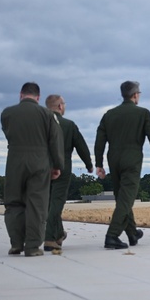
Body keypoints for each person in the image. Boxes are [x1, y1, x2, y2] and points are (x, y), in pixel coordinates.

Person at [94, 81, 150, 250]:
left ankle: (132, 233)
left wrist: (98, 163)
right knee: (126, 199)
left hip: (114, 159)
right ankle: (112, 235)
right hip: (132, 159)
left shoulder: (109, 114)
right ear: (135, 95)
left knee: (122, 196)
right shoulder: (143, 113)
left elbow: (99, 140)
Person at [0, 82, 64, 256]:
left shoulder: (7, 113)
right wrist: (57, 165)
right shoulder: (47, 114)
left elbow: (8, 133)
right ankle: (33, 246)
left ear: (21, 95)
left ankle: (16, 243)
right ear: (38, 97)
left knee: (13, 202)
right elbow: (54, 141)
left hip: (14, 160)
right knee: (37, 204)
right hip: (39, 161)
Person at [44, 94, 93, 252]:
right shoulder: (69, 125)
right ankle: (49, 238)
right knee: (57, 202)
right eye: (64, 104)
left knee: (47, 203)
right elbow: (81, 146)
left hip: (41, 167)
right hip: (62, 168)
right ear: (60, 106)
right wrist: (89, 164)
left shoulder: (40, 124)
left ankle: (58, 233)